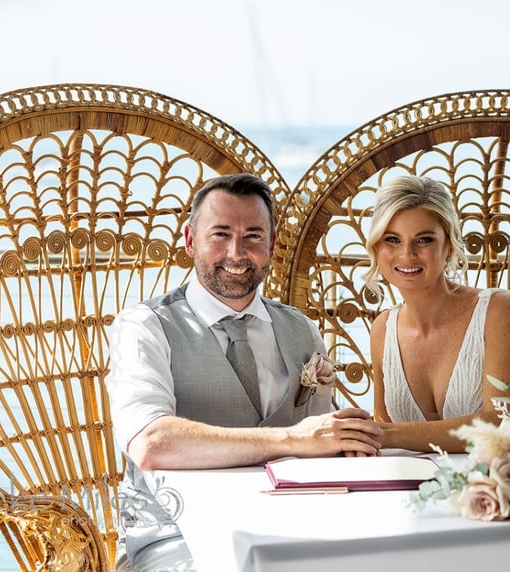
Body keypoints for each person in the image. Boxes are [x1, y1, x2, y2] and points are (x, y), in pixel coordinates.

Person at [106, 173, 383, 571]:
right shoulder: (145, 326)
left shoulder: (301, 329)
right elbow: (151, 444)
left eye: (253, 236)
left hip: (292, 524)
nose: (236, 253)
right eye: (220, 234)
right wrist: (292, 439)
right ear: (190, 240)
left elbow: (323, 436)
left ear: (271, 244)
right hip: (177, 536)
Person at [363, 175, 510, 453]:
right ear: (376, 246)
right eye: (392, 239)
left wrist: (383, 433)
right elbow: (382, 438)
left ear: (450, 245)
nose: (407, 254)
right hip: (409, 481)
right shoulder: (383, 329)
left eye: (424, 240)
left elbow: (503, 424)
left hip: (500, 479)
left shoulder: (497, 310)